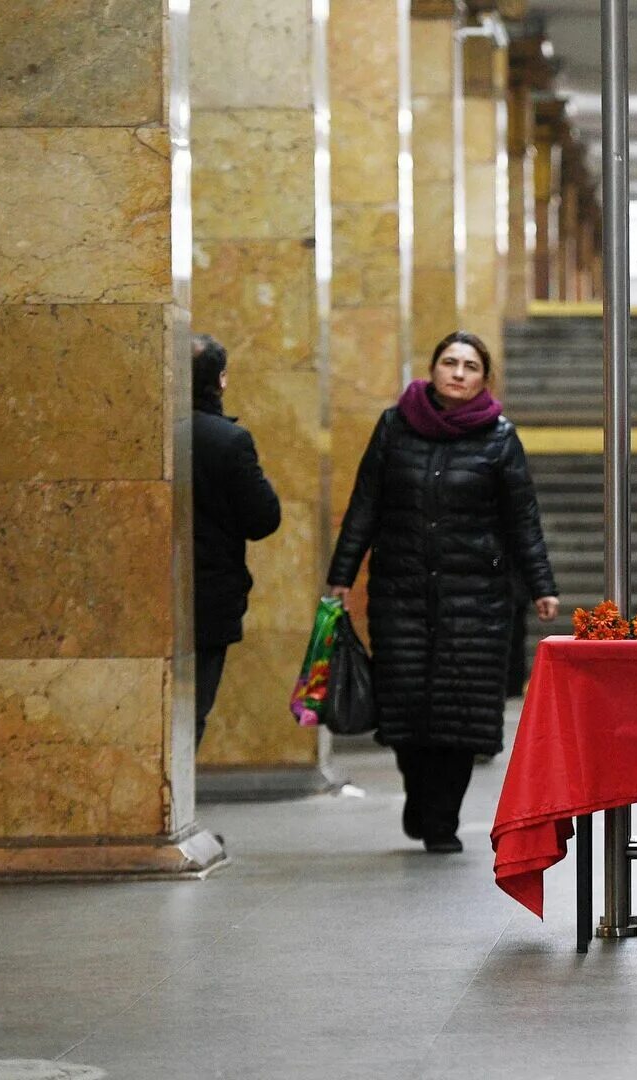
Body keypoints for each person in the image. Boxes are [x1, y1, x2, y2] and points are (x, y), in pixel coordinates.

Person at [326, 331, 560, 853]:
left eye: (469, 366)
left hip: (476, 597)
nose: (458, 372)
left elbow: (523, 519)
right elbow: (365, 504)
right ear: (432, 370)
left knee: (462, 711)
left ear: (484, 378)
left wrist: (541, 585)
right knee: (405, 704)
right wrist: (341, 576)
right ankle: (419, 796)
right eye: (449, 362)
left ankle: (442, 819)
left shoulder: (499, 438)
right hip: (400, 591)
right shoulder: (394, 426)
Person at [190, 334, 282, 748]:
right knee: (191, 711)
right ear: (221, 380)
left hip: (140, 600)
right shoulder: (227, 442)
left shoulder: (141, 435)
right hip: (208, 599)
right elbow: (263, 518)